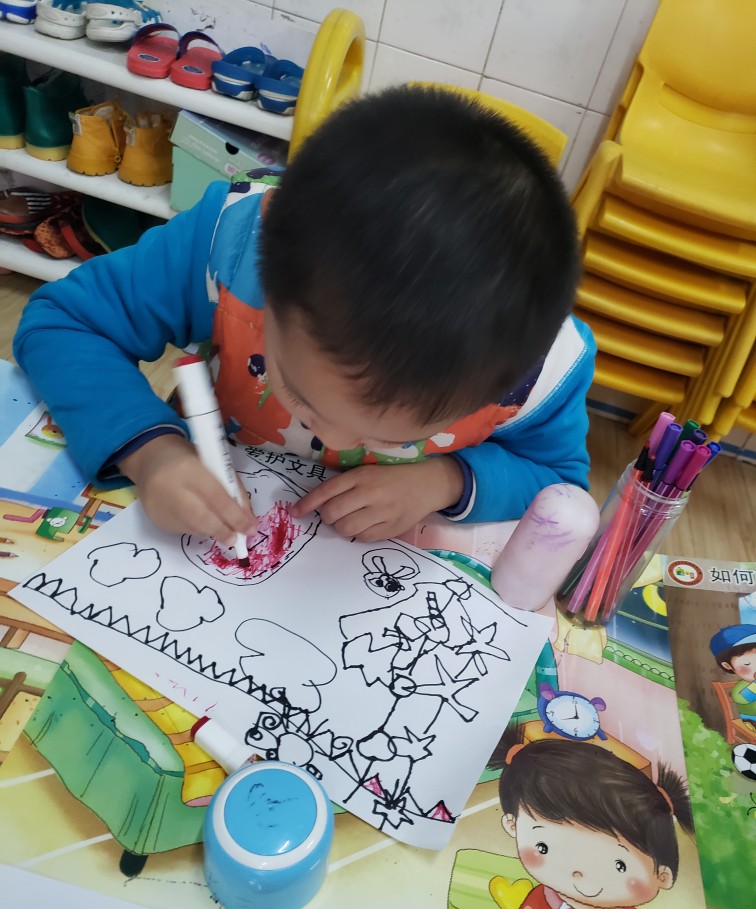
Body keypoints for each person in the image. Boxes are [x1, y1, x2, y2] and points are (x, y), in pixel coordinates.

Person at [14, 86, 594, 547]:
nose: (330, 436)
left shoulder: (535, 368)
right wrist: (153, 454)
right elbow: (64, 324)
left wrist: (445, 480)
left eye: (390, 438)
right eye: (300, 395)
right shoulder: (230, 248)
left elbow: (558, 482)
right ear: (270, 285)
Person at [495, 732, 693, 909]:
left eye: (620, 865)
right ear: (512, 825)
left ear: (662, 876)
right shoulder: (539, 904)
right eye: (544, 847)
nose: (580, 873)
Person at [710, 625, 756, 724]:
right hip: (752, 719)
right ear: (727, 666)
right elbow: (742, 699)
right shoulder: (741, 687)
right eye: (747, 663)